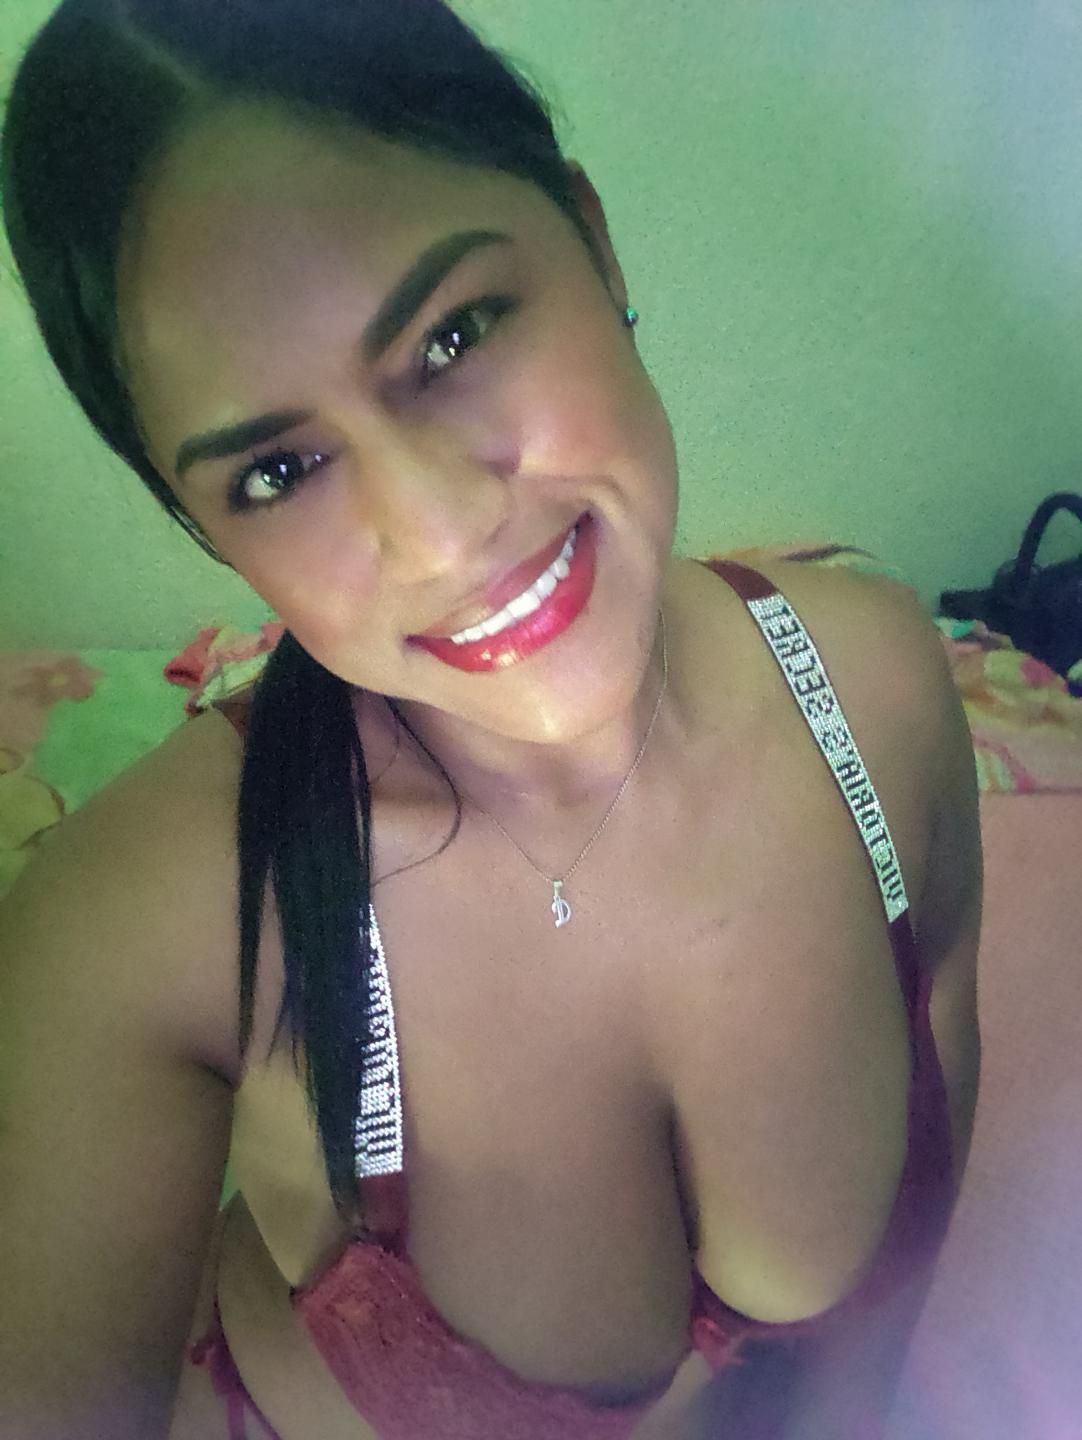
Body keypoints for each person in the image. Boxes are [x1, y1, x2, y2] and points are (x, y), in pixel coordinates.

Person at [0, 3, 983, 1437]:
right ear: (208, 529)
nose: (442, 528)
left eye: (452, 334)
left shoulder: (880, 689)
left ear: (593, 242)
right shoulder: (133, 936)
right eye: (278, 473)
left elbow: (929, 1129)